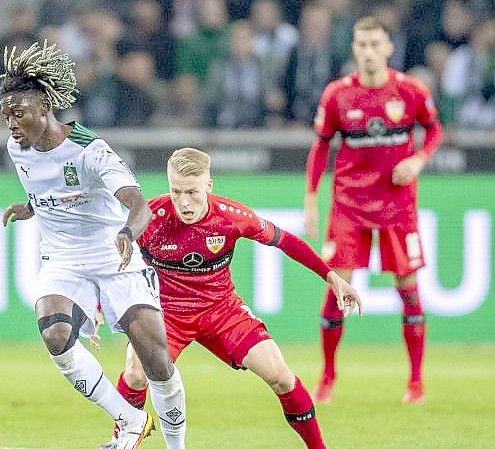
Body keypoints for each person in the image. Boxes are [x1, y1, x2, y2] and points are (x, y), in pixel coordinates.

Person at [97, 147, 362, 449]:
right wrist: (97, 304)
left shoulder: (231, 217)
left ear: (208, 186)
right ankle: (119, 441)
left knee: (281, 377)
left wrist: (330, 275)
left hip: (222, 311)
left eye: (193, 192)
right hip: (166, 314)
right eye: (177, 192)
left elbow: (285, 241)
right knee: (134, 374)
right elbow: (111, 260)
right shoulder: (150, 218)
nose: (184, 202)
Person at [0, 41, 186, 449]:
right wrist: (29, 208)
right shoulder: (18, 149)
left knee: (156, 361)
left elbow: (139, 205)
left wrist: (127, 232)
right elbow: (46, 191)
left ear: (45, 106)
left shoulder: (89, 149)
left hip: (113, 256)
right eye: (6, 116)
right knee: (53, 332)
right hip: (63, 261)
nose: (11, 124)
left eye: (19, 113)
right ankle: (129, 420)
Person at [304, 16, 443, 405]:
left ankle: (416, 382)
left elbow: (434, 129)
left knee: (408, 289)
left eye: (374, 44)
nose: (367, 52)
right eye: (361, 44)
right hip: (349, 204)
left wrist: (417, 161)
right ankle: (328, 376)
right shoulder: (337, 95)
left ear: (388, 48)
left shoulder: (411, 91)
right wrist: (310, 199)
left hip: (398, 207)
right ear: (354, 49)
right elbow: (320, 147)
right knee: (337, 287)